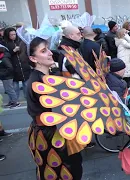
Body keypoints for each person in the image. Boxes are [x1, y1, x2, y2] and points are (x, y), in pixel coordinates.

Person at [26, 37, 84, 180]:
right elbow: (61, 108)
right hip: (50, 133)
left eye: (48, 49)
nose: (50, 53)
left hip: (55, 130)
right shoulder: (37, 82)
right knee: (65, 171)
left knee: (71, 168)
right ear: (33, 58)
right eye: (43, 51)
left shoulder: (48, 76)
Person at [3, 27, 31, 104]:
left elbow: (26, 53)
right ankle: (14, 100)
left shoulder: (21, 41)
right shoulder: (6, 44)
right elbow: (5, 56)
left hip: (24, 66)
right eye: (11, 35)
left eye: (14, 34)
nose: (13, 36)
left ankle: (28, 100)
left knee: (26, 85)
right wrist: (13, 51)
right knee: (15, 86)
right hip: (13, 67)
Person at [0, 44, 18, 108]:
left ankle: (15, 102)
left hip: (7, 77)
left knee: (10, 89)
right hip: (5, 76)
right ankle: (11, 101)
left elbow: (10, 67)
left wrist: (3, 74)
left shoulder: (4, 58)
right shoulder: (2, 57)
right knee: (8, 90)